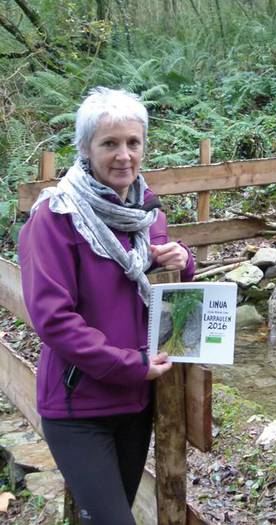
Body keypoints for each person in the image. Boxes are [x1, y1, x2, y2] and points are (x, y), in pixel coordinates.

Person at [19, 87, 195, 524]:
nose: (124, 156)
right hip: (80, 407)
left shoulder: (146, 214)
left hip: (134, 405)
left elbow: (161, 294)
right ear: (84, 148)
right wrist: (129, 363)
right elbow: (54, 320)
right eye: (109, 143)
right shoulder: (55, 218)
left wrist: (182, 262)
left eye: (133, 143)